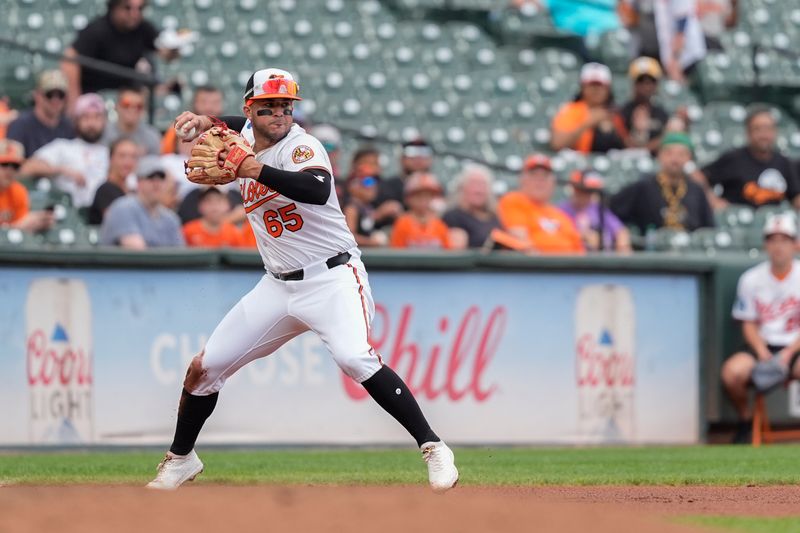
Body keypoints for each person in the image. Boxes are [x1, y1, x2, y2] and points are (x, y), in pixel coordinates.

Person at [146, 67, 458, 492]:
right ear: (250, 109)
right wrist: (207, 122)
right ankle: (181, 459)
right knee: (205, 368)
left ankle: (434, 447)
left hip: (331, 276)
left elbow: (315, 188)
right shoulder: (244, 139)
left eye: (285, 106)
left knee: (354, 358)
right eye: (268, 106)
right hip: (277, 285)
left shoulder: (302, 145)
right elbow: (241, 131)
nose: (278, 114)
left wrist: (253, 169)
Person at [721, 213, 800, 444]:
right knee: (732, 373)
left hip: (794, 346)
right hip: (762, 345)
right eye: (773, 240)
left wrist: (786, 354)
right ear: (766, 244)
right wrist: (763, 352)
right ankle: (746, 422)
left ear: (794, 243)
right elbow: (748, 323)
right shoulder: (751, 278)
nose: (778, 246)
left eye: (784, 239)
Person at [61, 0, 179, 107]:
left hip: (126, 98)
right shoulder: (98, 30)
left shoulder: (143, 28)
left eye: (140, 8)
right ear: (114, 7)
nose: (134, 14)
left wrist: (174, 48)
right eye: (127, 7)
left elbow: (165, 52)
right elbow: (70, 58)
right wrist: (74, 103)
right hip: (95, 98)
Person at [610, 132, 714, 233]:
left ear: (689, 158)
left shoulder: (696, 190)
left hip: (689, 249)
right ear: (659, 156)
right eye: (669, 153)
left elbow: (708, 228)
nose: (675, 159)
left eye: (681, 154)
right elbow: (610, 211)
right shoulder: (643, 187)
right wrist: (622, 233)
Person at [699, 106, 800, 209]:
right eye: (757, 129)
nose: (764, 135)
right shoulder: (734, 159)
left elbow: (795, 197)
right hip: (737, 222)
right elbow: (699, 177)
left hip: (772, 222)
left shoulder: (783, 162)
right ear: (748, 132)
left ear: (775, 132)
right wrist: (714, 200)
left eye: (768, 128)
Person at [20, 93, 109, 209]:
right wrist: (61, 170)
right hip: (69, 211)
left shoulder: (114, 153)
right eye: (86, 117)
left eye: (97, 117)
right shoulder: (63, 147)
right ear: (76, 121)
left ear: (105, 121)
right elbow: (26, 168)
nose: (91, 123)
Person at [496, 154, 584, 254]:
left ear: (553, 182)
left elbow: (579, 251)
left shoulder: (561, 215)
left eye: (545, 176)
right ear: (522, 179)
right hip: (535, 267)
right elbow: (521, 241)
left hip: (569, 267)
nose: (540, 180)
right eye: (534, 174)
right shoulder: (513, 201)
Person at [100, 157, 184, 248]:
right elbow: (137, 252)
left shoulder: (170, 218)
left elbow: (180, 254)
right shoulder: (123, 207)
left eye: (161, 178)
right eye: (151, 178)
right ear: (139, 182)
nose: (157, 184)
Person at [550, 63, 629, 154]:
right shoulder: (571, 110)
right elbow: (557, 143)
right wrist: (588, 123)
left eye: (600, 85)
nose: (596, 90)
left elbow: (628, 147)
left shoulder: (615, 113)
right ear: (582, 87)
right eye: (592, 85)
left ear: (608, 89)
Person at [559, 170, 631, 253]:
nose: (586, 195)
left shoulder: (597, 208)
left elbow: (620, 230)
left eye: (590, 192)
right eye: (583, 190)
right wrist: (584, 236)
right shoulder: (561, 211)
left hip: (604, 259)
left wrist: (622, 246)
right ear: (575, 189)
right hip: (576, 260)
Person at [6, 70, 74, 157]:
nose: (55, 100)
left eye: (61, 94)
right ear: (37, 95)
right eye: (49, 94)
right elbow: (10, 165)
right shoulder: (20, 125)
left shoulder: (68, 127)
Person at [442, 163, 501, 249]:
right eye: (473, 184)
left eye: (482, 184)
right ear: (462, 188)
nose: (478, 190)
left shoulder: (495, 217)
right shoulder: (453, 217)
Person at [620, 57, 672, 153]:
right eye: (641, 80)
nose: (646, 86)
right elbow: (623, 142)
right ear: (633, 83)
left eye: (651, 81)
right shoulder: (623, 111)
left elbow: (667, 140)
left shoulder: (661, 113)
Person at [0, 140, 54, 233]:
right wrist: (18, 227)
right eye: (4, 164)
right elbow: (19, 226)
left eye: (15, 166)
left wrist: (36, 225)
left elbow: (20, 230)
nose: (10, 170)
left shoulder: (18, 191)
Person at [391, 172, 454, 250]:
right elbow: (396, 255)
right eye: (418, 196)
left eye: (427, 196)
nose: (423, 200)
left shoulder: (439, 224)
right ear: (408, 198)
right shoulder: (402, 223)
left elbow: (448, 253)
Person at [88, 137, 139, 224]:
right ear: (111, 158)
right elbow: (117, 223)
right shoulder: (105, 190)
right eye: (122, 156)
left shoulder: (134, 191)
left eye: (133, 157)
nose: (128, 162)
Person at [160, 85, 225, 155]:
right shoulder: (179, 126)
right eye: (203, 102)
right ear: (194, 103)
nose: (208, 107)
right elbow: (165, 156)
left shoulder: (232, 130)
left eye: (215, 103)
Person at [101, 86, 161, 155]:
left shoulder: (152, 137)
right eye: (126, 105)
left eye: (138, 106)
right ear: (116, 106)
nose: (132, 109)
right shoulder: (103, 133)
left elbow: (155, 163)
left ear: (144, 109)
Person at [342, 174, 387, 248]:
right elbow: (350, 237)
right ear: (355, 187)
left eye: (374, 186)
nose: (372, 188)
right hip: (355, 254)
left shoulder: (367, 207)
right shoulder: (351, 208)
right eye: (367, 184)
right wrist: (371, 242)